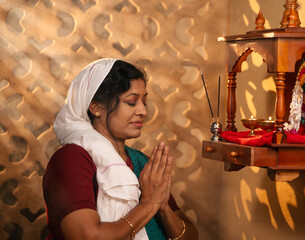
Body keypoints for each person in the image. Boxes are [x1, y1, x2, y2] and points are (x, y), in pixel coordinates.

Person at [42, 58, 198, 240]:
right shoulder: (71, 159)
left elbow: (192, 235)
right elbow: (85, 236)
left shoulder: (142, 162)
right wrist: (148, 205)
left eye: (144, 102)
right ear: (96, 107)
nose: (143, 111)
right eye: (132, 102)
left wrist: (162, 208)